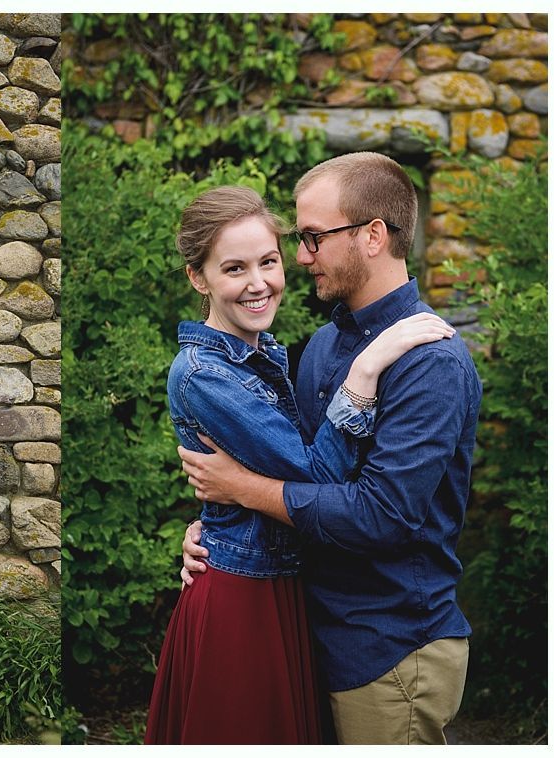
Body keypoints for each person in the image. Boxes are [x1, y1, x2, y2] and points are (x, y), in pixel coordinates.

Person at [179, 152, 482, 744]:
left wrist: (246, 490)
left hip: (389, 646)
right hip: (310, 631)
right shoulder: (320, 345)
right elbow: (298, 470)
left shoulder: (431, 361)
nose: (299, 255)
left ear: (372, 236)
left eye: (313, 237)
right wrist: (215, 526)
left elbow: (379, 517)